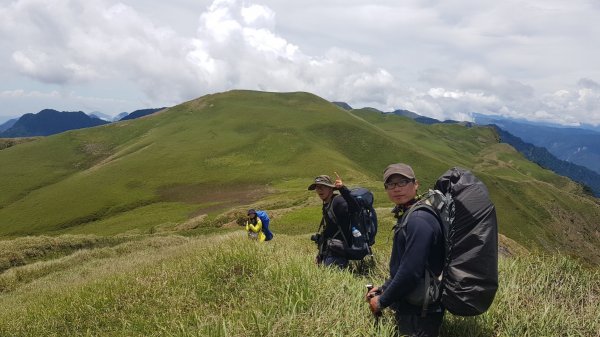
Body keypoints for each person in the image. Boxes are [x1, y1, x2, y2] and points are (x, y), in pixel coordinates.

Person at [366, 163, 445, 337]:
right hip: (414, 305)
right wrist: (385, 287)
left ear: (415, 184)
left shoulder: (418, 219)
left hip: (421, 313)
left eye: (402, 182)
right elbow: (404, 264)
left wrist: (382, 301)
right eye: (391, 184)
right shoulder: (410, 214)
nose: (396, 189)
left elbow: (411, 271)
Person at [308, 173, 359, 268]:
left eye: (323, 186)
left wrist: (342, 189)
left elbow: (355, 209)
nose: (319, 190)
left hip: (338, 252)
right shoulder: (327, 203)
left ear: (331, 188)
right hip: (331, 250)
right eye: (317, 187)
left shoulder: (338, 201)